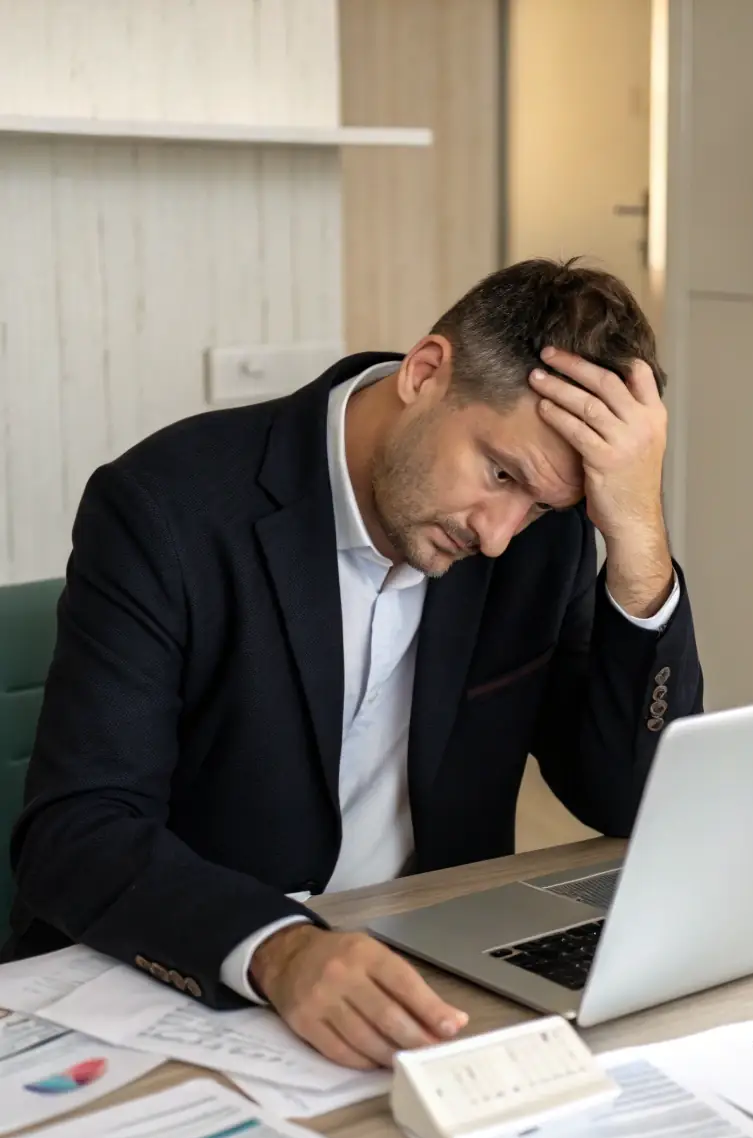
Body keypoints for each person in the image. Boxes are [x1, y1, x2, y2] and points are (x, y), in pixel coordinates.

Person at [4, 258, 703, 1069]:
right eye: (499, 473)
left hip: (428, 982)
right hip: (185, 980)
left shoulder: (536, 538)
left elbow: (629, 797)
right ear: (426, 372)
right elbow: (76, 831)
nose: (500, 534)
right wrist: (278, 949)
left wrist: (639, 541)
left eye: (542, 505)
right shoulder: (167, 508)